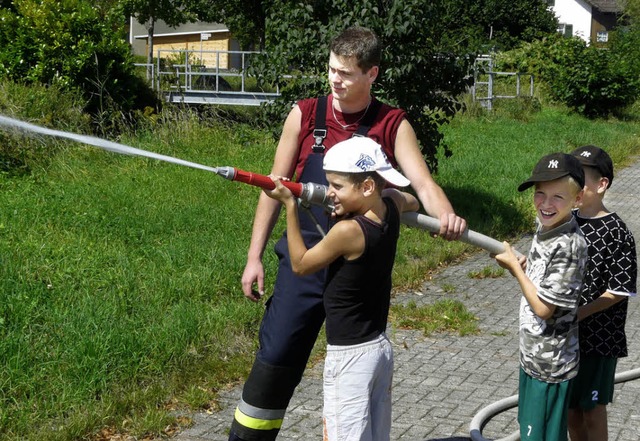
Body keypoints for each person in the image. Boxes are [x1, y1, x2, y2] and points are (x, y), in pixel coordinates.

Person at [229, 25, 466, 441]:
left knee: (356, 375)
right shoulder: (306, 114)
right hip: (305, 267)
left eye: (347, 73)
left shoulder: (392, 123)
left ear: (372, 73)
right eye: (331, 69)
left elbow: (422, 186)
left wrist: (447, 217)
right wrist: (254, 257)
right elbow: (273, 187)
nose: (335, 80)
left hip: (359, 278)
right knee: (277, 359)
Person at [263, 137, 419, 441]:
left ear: (367, 187)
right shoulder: (390, 207)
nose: (330, 193)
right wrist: (355, 205)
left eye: (337, 186)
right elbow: (408, 200)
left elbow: (301, 264)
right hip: (378, 348)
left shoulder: (349, 231)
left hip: (349, 359)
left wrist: (290, 206)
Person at [494, 152, 588, 441]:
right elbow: (539, 285)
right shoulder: (546, 228)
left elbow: (545, 308)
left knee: (542, 436)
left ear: (578, 199)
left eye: (558, 197)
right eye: (540, 194)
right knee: (531, 430)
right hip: (534, 357)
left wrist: (515, 269)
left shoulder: (569, 245)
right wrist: (520, 270)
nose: (546, 204)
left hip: (550, 367)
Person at [566, 145, 637, 441]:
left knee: (592, 411)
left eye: (581, 179)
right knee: (571, 409)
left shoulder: (617, 232)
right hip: (567, 336)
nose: (574, 186)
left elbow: (619, 291)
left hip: (599, 339)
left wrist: (580, 313)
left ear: (602, 184)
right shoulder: (565, 222)